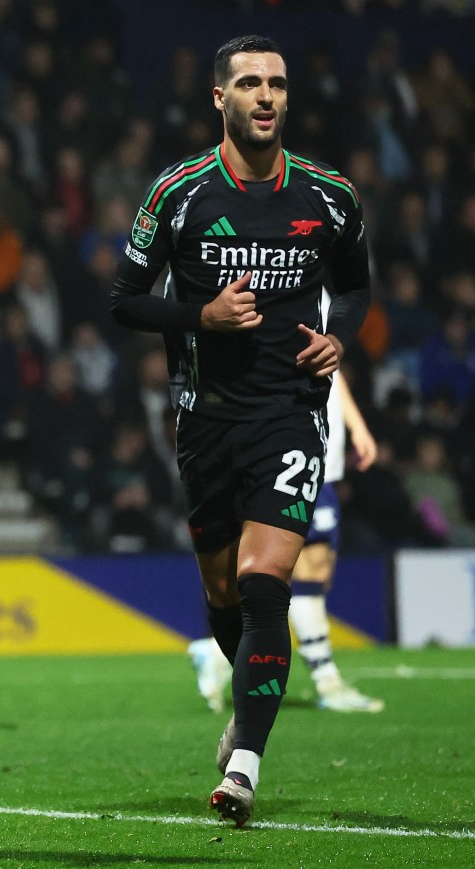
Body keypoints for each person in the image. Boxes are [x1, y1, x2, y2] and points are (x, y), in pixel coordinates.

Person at [109, 36, 371, 827]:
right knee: (224, 594)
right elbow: (124, 298)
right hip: (205, 420)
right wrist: (203, 316)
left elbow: (355, 286)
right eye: (250, 83)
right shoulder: (181, 191)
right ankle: (247, 707)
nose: (266, 96)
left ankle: (245, 766)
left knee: (266, 583)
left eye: (278, 84)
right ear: (218, 98)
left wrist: (341, 338)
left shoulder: (329, 195)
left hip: (290, 410)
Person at [187, 368, 385, 713]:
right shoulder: (285, 314)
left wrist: (355, 425)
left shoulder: (326, 315)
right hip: (295, 451)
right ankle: (328, 683)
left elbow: (332, 367)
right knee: (306, 570)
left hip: (322, 454)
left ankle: (217, 654)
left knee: (313, 574)